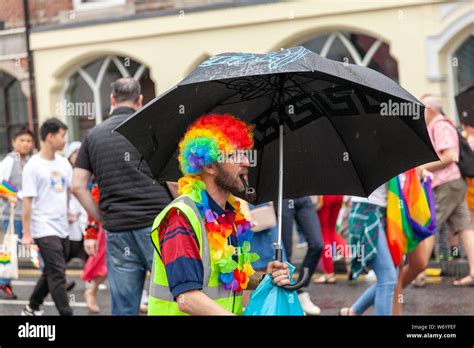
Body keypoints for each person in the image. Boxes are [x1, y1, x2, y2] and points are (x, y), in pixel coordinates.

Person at [147, 114, 291, 315]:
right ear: (209, 166)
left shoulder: (229, 215)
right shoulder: (181, 217)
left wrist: (266, 278)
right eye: (234, 155)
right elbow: (187, 298)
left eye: (245, 153)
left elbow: (226, 277)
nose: (246, 162)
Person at [72, 77, 172, 315]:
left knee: (124, 307)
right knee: (171, 298)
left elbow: (77, 185)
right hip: (158, 225)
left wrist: (102, 217)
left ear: (112, 99)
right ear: (139, 100)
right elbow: (173, 180)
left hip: (117, 229)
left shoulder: (93, 135)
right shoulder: (153, 128)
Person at [415, 95, 474, 286]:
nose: (420, 113)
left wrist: (423, 167)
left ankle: (419, 272)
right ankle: (473, 273)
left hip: (448, 184)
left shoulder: (440, 125)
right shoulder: (441, 125)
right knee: (464, 227)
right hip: (454, 183)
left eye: (422, 108)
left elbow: (450, 156)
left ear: (431, 110)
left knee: (430, 225)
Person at [21, 119, 73, 316]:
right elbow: (27, 202)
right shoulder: (33, 166)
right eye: (62, 135)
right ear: (50, 137)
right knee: (58, 273)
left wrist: (71, 214)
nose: (65, 140)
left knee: (52, 270)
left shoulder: (63, 164)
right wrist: (27, 233)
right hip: (43, 227)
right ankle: (66, 313)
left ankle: (32, 306)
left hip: (62, 226)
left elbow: (69, 192)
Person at [340, 184, 398, 316]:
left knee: (391, 276)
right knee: (388, 279)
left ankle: (353, 312)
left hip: (386, 214)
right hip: (366, 212)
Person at [0, 127, 35, 299]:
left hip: (30, 215)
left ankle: (53, 279)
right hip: (12, 215)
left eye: (29, 141)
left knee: (38, 246)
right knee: (10, 250)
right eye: (22, 140)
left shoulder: (30, 161)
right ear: (14, 142)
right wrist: (18, 195)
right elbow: (1, 185)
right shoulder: (9, 161)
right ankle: (3, 284)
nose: (25, 144)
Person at [275, 196, 323, 315]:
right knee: (286, 253)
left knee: (317, 245)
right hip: (282, 195)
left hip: (304, 195)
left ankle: (300, 290)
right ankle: (288, 298)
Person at [80, 184, 107, 313]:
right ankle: (92, 290)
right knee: (104, 265)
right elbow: (95, 197)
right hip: (110, 223)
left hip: (140, 220)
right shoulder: (106, 168)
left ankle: (139, 298)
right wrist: (91, 232)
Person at [314, 195, 348, 284]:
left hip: (324, 195)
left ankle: (329, 274)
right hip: (338, 195)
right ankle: (348, 256)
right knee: (332, 230)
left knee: (324, 232)